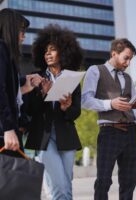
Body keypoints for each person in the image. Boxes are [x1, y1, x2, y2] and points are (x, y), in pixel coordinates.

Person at [24, 24, 83, 200]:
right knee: (59, 188)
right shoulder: (35, 77)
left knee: (67, 186)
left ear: (63, 53)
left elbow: (76, 113)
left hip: (66, 137)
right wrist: (42, 94)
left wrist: (66, 107)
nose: (48, 54)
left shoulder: (72, 79)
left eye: (52, 50)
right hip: (44, 137)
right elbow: (28, 110)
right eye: (45, 51)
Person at [82, 38, 136, 200]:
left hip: (131, 132)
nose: (128, 63)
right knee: (103, 180)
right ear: (114, 54)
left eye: (131, 59)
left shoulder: (128, 79)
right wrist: (111, 104)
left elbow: (132, 108)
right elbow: (86, 101)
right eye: (126, 58)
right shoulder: (95, 70)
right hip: (109, 132)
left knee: (129, 182)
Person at [0, 8, 42, 157]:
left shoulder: (7, 53)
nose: (24, 35)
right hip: (5, 131)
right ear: (10, 29)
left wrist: (23, 88)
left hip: (9, 130)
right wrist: (8, 128)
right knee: (16, 177)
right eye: (21, 30)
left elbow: (7, 90)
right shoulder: (1, 49)